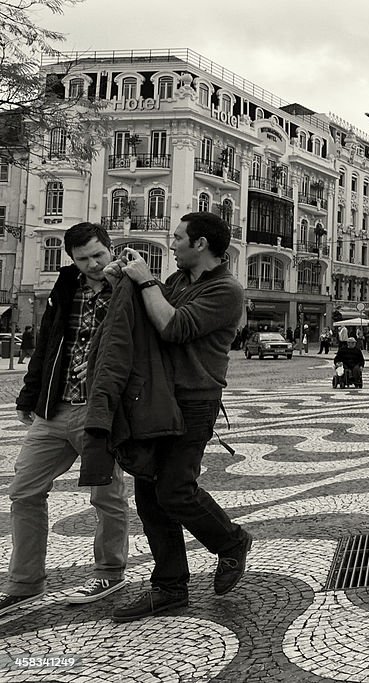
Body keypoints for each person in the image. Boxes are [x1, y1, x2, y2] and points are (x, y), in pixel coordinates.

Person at [107, 212, 252, 622]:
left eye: (178, 238)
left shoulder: (226, 290)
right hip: (158, 398)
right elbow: (148, 318)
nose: (172, 244)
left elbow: (172, 326)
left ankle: (231, 542)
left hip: (195, 400)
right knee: (149, 495)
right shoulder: (178, 282)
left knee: (174, 489)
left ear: (201, 244)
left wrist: (146, 280)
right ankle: (170, 587)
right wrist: (124, 281)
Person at [2, 223, 130, 617]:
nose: (93, 264)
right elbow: (49, 342)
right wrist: (29, 393)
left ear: (111, 249)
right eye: (83, 258)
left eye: (99, 255)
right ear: (71, 259)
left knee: (106, 496)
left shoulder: (132, 285)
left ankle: (110, 571)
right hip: (55, 408)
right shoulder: (66, 287)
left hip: (100, 411)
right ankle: (25, 584)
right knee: (24, 490)